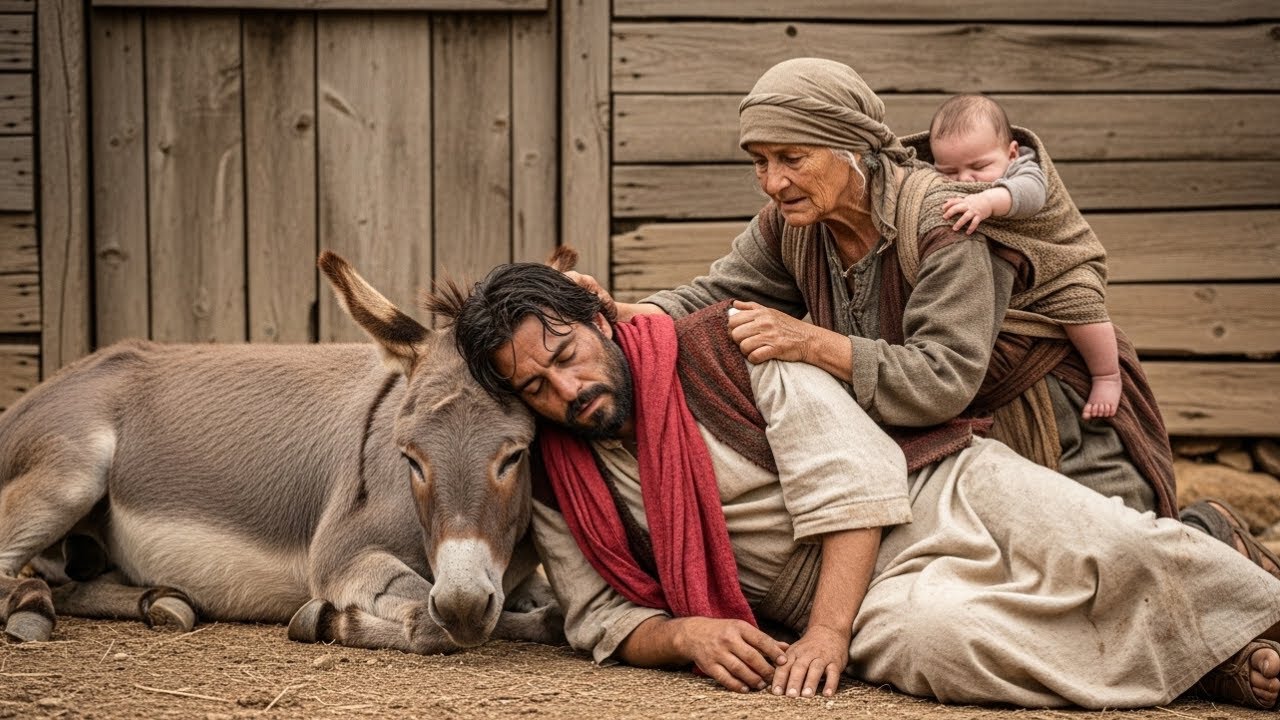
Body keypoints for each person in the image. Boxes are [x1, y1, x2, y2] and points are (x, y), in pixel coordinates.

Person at [442, 260, 1280, 709]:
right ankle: (1209, 669)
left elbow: (854, 483)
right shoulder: (561, 478)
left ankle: (1231, 585)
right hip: (860, 596)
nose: (565, 391)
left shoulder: (723, 347)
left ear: (597, 321)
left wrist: (829, 638)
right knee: (946, 644)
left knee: (1115, 543)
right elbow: (600, 617)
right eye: (535, 389)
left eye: (565, 358)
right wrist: (689, 635)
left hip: (937, 492)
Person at [566, 57, 1268, 570]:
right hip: (951, 445)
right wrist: (626, 311)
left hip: (1055, 426)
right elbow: (715, 293)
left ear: (851, 150)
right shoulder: (790, 225)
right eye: (759, 161)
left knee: (1126, 569)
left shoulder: (942, 223)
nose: (773, 181)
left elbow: (942, 379)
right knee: (1018, 589)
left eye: (792, 157)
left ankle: (1213, 535)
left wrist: (811, 343)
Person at [926, 94, 1121, 421]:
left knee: (1082, 308)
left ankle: (1106, 375)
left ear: (1011, 153)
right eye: (948, 171)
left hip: (1063, 265)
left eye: (979, 167)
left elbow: (1029, 196)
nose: (965, 180)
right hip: (1019, 276)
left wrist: (987, 202)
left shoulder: (1026, 170)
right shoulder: (947, 182)